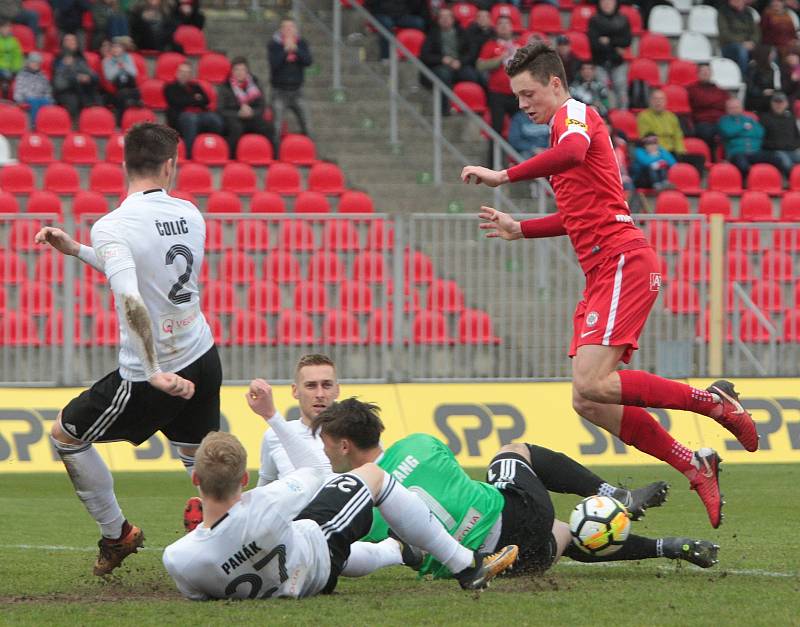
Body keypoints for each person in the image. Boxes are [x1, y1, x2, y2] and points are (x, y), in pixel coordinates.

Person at [460, 42, 759, 529]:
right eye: (516, 97)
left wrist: (503, 175)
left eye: (528, 93)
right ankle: (693, 463)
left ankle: (712, 402)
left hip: (622, 261)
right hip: (604, 270)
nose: (522, 105)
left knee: (592, 382)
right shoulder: (563, 127)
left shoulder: (573, 114)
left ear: (555, 84)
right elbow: (577, 216)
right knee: (588, 399)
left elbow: (574, 150)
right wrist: (522, 228)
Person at [34, 123, 222, 577]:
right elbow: (149, 267)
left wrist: (154, 370)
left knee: (66, 435)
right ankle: (240, 539)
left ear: (123, 165)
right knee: (204, 465)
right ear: (170, 165)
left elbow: (131, 294)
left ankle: (117, 534)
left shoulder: (114, 225)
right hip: (202, 353)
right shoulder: (190, 214)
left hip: (149, 374)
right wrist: (79, 249)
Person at [163, 380, 518, 600]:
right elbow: (316, 471)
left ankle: (399, 550)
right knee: (372, 476)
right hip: (316, 561)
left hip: (291, 582)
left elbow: (200, 593)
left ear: (196, 480)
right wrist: (271, 416)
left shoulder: (178, 558)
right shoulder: (267, 501)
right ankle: (465, 565)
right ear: (243, 480)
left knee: (344, 544)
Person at [313, 398, 719, 578]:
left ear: (344, 444)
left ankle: (664, 545)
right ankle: (615, 495)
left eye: (327, 442)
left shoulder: (362, 506)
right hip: (521, 518)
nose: (325, 449)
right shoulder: (419, 442)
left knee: (563, 533)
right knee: (512, 452)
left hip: (499, 564)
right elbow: (450, 478)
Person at [419, 7, 478, 113]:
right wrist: (442, 59)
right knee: (444, 75)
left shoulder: (462, 33)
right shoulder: (432, 34)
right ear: (438, 20)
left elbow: (471, 53)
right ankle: (444, 110)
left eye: (448, 16)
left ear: (453, 19)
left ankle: (472, 108)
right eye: (442, 17)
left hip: (459, 65)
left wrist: (460, 62)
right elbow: (425, 56)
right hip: (439, 66)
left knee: (472, 75)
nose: (445, 19)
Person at [478, 15, 518, 165]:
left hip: (517, 94)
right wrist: (500, 59)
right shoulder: (490, 45)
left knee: (521, 129)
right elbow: (480, 65)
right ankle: (492, 164)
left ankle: (518, 162)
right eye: (500, 24)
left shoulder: (519, 45)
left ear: (512, 27)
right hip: (497, 94)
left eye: (506, 24)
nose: (503, 27)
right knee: (496, 129)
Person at [217, 56, 275, 159]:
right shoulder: (225, 87)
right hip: (234, 118)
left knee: (269, 127)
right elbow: (221, 110)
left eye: (243, 70)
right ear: (232, 71)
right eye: (236, 69)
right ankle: (231, 159)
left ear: (247, 71)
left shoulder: (255, 84)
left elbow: (261, 107)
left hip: (252, 117)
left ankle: (273, 158)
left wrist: (252, 112)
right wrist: (238, 113)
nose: (239, 72)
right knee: (236, 128)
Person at [164, 61, 223, 160]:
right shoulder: (170, 87)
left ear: (190, 74)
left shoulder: (195, 86)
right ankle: (189, 154)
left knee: (214, 119)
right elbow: (176, 102)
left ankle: (215, 149)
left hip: (200, 115)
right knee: (190, 118)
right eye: (182, 71)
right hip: (181, 116)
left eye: (187, 72)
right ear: (177, 73)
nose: (184, 74)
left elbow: (206, 100)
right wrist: (194, 99)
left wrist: (189, 100)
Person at [268, 18, 312, 147]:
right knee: (276, 128)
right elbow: (274, 64)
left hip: (297, 91)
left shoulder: (302, 43)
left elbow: (308, 61)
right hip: (279, 91)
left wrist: (296, 50)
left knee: (308, 125)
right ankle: (275, 156)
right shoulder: (274, 45)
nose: (288, 30)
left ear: (295, 29)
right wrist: (285, 51)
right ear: (281, 30)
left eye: (291, 27)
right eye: (285, 28)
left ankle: (308, 152)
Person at [637, 88, 704, 174]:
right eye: (655, 99)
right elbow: (647, 138)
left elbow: (678, 136)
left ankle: (693, 183)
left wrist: (680, 151)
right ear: (650, 101)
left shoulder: (671, 116)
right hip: (657, 152)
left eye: (661, 99)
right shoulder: (643, 116)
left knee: (699, 159)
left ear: (665, 102)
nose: (658, 102)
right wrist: (661, 152)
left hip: (673, 151)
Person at [587, 0, 631, 110]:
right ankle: (603, 115)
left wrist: (609, 40)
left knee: (621, 89)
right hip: (599, 62)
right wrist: (616, 46)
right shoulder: (594, 20)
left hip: (618, 62)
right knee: (601, 90)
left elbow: (627, 41)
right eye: (604, 1)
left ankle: (623, 115)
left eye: (610, 1)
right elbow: (594, 44)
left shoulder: (623, 20)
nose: (607, 4)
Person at [52, 33, 101, 120]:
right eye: (67, 40)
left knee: (96, 98)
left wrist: (88, 78)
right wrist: (75, 78)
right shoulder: (59, 60)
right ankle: (75, 127)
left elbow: (94, 76)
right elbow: (58, 83)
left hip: (82, 89)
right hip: (65, 91)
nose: (71, 42)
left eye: (73, 40)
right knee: (74, 100)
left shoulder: (81, 59)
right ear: (63, 44)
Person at [719, 96, 769, 176]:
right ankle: (746, 184)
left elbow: (760, 133)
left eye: (736, 107)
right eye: (731, 108)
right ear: (727, 109)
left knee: (776, 159)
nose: (734, 110)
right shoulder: (724, 121)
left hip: (755, 152)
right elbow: (728, 132)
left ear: (741, 108)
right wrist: (744, 128)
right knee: (743, 165)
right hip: (736, 153)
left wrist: (740, 132)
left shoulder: (750, 119)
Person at [687, 63, 729, 158]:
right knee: (707, 132)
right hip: (703, 121)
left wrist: (709, 102)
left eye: (707, 71)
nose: (705, 73)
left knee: (730, 131)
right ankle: (711, 159)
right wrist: (714, 102)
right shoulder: (692, 89)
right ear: (697, 74)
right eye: (702, 71)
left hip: (720, 121)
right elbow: (701, 101)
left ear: (711, 73)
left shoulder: (721, 90)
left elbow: (725, 104)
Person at [759, 91, 800, 176]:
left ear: (786, 104)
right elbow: (761, 140)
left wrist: (794, 145)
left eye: (781, 102)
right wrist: (777, 146)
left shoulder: (791, 118)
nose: (778, 105)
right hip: (774, 151)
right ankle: (789, 183)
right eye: (776, 102)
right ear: (771, 103)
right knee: (786, 163)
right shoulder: (765, 118)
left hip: (792, 150)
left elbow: (797, 136)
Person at [101, 38, 142, 124]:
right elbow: (109, 76)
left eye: (118, 47)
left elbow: (134, 73)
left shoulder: (128, 58)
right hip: (116, 88)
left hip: (130, 85)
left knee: (136, 92)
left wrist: (124, 66)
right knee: (122, 95)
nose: (116, 50)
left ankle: (129, 116)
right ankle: (122, 121)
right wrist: (118, 67)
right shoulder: (107, 61)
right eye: (114, 48)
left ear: (122, 49)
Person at [718, 0, 761, 76]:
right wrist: (742, 42)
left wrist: (752, 42)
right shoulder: (723, 13)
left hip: (749, 44)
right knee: (742, 50)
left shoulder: (748, 13)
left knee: (767, 51)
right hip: (729, 45)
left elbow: (756, 31)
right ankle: (742, 77)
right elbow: (725, 34)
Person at [13, 52, 53, 124]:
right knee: (34, 101)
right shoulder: (22, 75)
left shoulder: (42, 76)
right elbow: (18, 89)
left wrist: (48, 98)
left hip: (40, 97)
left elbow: (47, 90)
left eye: (37, 63)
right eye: (33, 62)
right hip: (27, 98)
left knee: (47, 102)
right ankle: (34, 124)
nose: (35, 65)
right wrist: (19, 100)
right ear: (28, 63)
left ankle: (47, 123)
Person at [745, 44, 783, 113]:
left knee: (781, 99)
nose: (774, 55)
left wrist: (774, 91)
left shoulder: (775, 67)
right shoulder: (753, 67)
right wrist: (762, 92)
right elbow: (750, 86)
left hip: (771, 95)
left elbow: (777, 85)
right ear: (765, 54)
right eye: (772, 53)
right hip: (756, 97)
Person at [463, 8, 493, 76]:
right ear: (476, 20)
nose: (482, 19)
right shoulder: (469, 32)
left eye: (485, 17)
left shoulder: (495, 34)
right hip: (473, 63)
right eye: (479, 17)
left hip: (490, 62)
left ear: (490, 19)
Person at [0, 19, 22, 95]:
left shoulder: (14, 41)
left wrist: (15, 68)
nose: (7, 30)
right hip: (1, 67)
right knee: (6, 75)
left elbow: (17, 56)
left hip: (10, 68)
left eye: (8, 27)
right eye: (4, 27)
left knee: (19, 74)